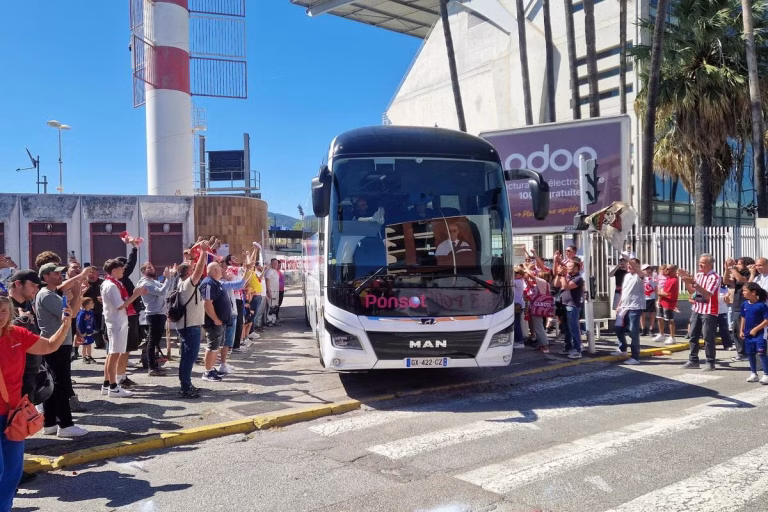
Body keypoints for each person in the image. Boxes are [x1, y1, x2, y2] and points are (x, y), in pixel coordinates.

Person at [0, 294, 76, 509]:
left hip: (13, 415)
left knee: (12, 472)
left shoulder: (17, 334)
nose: (0, 315)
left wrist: (66, 323)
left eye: (4, 311)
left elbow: (50, 346)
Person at [35, 263, 88, 437]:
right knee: (61, 383)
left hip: (58, 342)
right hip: (56, 343)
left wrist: (77, 290)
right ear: (45, 277)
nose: (59, 276)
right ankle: (65, 425)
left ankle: (50, 423)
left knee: (53, 383)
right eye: (55, 273)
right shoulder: (47, 295)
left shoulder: (52, 294)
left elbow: (72, 308)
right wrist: (79, 282)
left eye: (60, 273)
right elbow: (70, 314)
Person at [101, 259, 147, 398]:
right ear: (114, 271)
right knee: (114, 354)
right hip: (116, 322)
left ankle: (107, 384)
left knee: (112, 353)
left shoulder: (113, 283)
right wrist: (136, 295)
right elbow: (120, 305)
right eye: (121, 269)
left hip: (116, 321)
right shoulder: (111, 286)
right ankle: (113, 387)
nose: (123, 271)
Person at [175, 240, 209, 398]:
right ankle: (186, 387)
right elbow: (201, 269)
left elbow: (197, 268)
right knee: (189, 357)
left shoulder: (181, 283)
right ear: (188, 273)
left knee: (185, 357)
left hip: (186, 325)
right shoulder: (188, 283)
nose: (194, 269)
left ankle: (185, 383)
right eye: (192, 269)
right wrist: (203, 252)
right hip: (191, 326)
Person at [680, 254, 721, 371]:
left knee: (708, 337)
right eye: (699, 262)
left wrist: (694, 283)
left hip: (709, 311)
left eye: (702, 262)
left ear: (710, 264)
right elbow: (693, 292)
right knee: (693, 335)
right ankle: (693, 360)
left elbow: (708, 294)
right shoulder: (698, 275)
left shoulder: (715, 277)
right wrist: (686, 281)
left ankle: (710, 362)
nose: (700, 264)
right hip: (697, 309)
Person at [137, 262, 174, 377]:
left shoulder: (154, 282)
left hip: (160, 314)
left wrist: (171, 277)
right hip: (154, 315)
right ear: (143, 272)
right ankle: (151, 367)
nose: (152, 268)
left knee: (155, 341)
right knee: (152, 342)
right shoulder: (145, 283)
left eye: (152, 267)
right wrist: (167, 278)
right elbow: (161, 291)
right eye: (149, 267)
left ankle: (154, 364)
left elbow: (167, 289)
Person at [115, 239, 141, 389]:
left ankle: (122, 376)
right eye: (122, 267)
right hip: (124, 316)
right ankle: (119, 378)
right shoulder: (120, 279)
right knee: (122, 349)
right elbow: (131, 264)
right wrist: (134, 249)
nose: (125, 269)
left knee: (128, 348)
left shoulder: (123, 280)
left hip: (131, 315)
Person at [200, 262, 232, 381]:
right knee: (212, 346)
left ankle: (211, 368)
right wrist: (216, 319)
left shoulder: (216, 283)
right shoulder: (208, 283)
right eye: (219, 269)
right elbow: (207, 303)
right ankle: (207, 373)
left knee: (216, 347)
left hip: (220, 322)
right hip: (214, 323)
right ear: (214, 270)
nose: (222, 271)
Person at [613, 258, 645, 365]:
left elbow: (640, 273)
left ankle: (635, 357)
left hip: (635, 307)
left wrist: (630, 260)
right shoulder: (626, 276)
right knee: (618, 328)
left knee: (633, 331)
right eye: (628, 264)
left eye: (632, 264)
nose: (630, 266)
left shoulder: (640, 276)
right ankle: (623, 350)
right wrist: (619, 305)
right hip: (623, 307)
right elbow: (624, 292)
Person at [724, 257, 754, 362]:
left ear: (746, 265)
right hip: (737, 305)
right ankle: (741, 353)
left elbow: (743, 280)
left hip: (745, 305)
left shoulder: (748, 274)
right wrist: (727, 269)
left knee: (744, 330)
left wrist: (732, 268)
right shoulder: (737, 274)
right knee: (736, 330)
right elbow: (726, 280)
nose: (737, 265)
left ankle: (746, 353)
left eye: (739, 264)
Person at [555, 259, 584, 359]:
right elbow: (556, 284)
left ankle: (577, 350)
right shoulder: (567, 276)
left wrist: (563, 275)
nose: (567, 268)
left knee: (573, 328)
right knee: (567, 328)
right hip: (564, 305)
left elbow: (566, 286)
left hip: (572, 306)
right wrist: (559, 275)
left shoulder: (578, 278)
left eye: (570, 266)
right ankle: (568, 347)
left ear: (576, 268)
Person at [740, 282, 768, 384]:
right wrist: (741, 330)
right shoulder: (744, 304)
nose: (743, 292)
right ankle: (753, 373)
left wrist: (756, 329)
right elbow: (743, 317)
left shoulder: (761, 305)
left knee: (761, 352)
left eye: (745, 290)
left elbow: (766, 320)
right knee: (750, 353)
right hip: (748, 334)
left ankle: (766, 374)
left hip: (760, 333)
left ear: (753, 292)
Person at [524, 270, 551, 353]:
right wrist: (527, 280)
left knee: (539, 326)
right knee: (537, 326)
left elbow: (531, 276)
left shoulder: (543, 282)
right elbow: (532, 286)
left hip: (538, 307)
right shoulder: (542, 285)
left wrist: (524, 268)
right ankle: (542, 344)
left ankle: (545, 346)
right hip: (538, 307)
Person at [655, 265, 679, 345]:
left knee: (670, 320)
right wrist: (659, 298)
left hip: (669, 303)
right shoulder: (668, 278)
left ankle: (672, 337)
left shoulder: (674, 280)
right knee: (659, 317)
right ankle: (661, 334)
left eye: (668, 269)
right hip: (662, 301)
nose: (666, 270)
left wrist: (658, 292)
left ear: (672, 270)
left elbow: (667, 293)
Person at [76, 298, 96, 364]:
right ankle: (84, 357)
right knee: (84, 345)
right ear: (87, 305)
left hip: (90, 331)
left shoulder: (91, 312)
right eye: (91, 303)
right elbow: (79, 323)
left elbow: (93, 321)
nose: (93, 304)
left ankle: (89, 356)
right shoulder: (82, 313)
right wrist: (82, 332)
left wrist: (94, 329)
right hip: (84, 333)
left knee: (89, 344)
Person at [640, 264, 657, 336]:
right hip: (643, 298)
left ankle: (651, 329)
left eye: (649, 269)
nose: (648, 271)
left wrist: (657, 298)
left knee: (652, 314)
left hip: (651, 298)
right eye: (646, 269)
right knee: (642, 314)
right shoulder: (640, 278)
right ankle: (643, 329)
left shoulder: (653, 278)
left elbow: (656, 288)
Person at [265, 259, 281, 327]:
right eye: (274, 263)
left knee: (275, 307)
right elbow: (267, 282)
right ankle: (269, 321)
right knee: (271, 307)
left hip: (276, 292)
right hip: (271, 291)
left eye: (277, 263)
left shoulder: (275, 271)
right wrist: (268, 291)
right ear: (271, 264)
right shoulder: (269, 271)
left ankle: (273, 320)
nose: (276, 264)